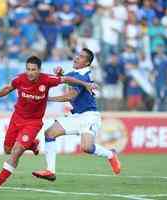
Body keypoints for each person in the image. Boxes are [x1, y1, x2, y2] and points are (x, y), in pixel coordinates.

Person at [0, 55, 95, 190]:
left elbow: (66, 79)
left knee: (17, 150)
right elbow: (7, 88)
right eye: (28, 69)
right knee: (7, 150)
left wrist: (85, 84)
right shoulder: (20, 79)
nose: (30, 72)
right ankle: (32, 144)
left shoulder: (47, 79)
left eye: (33, 69)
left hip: (33, 122)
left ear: (39, 70)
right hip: (16, 118)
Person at [32, 48, 121, 182]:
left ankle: (110, 154)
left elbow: (70, 96)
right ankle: (50, 171)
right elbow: (66, 79)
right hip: (77, 116)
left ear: (87, 63)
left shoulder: (83, 76)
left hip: (89, 116)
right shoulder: (76, 73)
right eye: (77, 55)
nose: (76, 58)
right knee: (50, 133)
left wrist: (47, 99)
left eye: (81, 57)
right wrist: (60, 73)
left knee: (87, 148)